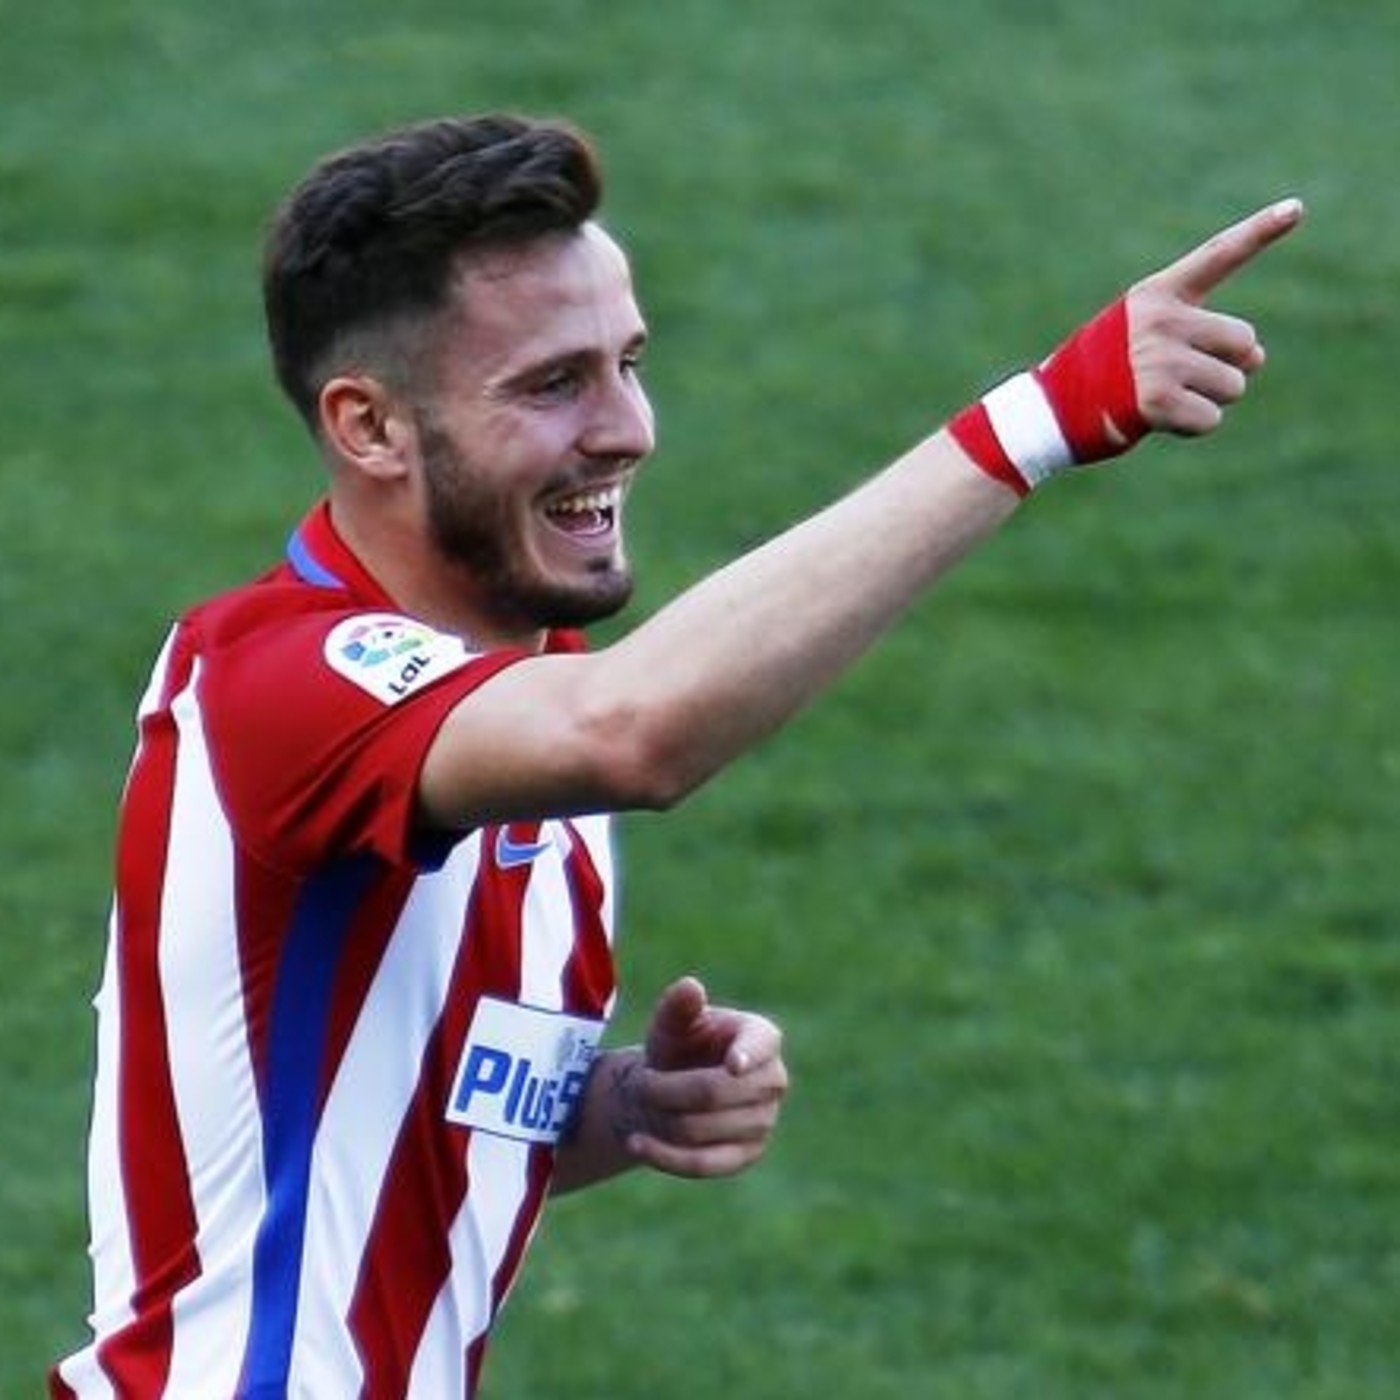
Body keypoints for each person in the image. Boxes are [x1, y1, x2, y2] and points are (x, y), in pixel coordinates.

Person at [50, 112, 1303, 1398]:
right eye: (553, 384)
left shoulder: (529, 714)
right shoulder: (277, 679)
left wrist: (620, 1108)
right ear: (370, 427)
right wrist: (1037, 417)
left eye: (627, 363)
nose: (628, 427)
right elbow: (636, 730)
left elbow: (370, 1123)